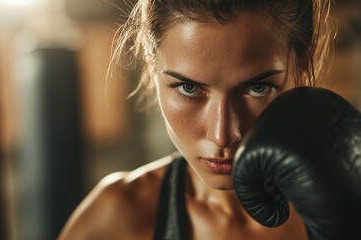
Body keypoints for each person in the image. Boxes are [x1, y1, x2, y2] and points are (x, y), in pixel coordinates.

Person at [58, 0, 333, 239]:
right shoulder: (118, 216)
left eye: (257, 88)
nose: (222, 134)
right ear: (150, 62)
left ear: (303, 67)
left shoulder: (349, 206)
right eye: (189, 88)